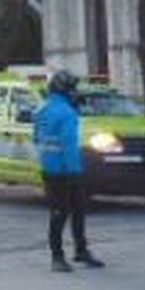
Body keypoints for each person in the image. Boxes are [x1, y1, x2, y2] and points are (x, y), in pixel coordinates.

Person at [35, 70, 103, 273]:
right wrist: (76, 171)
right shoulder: (66, 113)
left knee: (61, 212)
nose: (76, 92)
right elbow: (69, 146)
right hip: (67, 171)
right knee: (70, 213)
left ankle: (71, 253)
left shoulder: (42, 109)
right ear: (64, 90)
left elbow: (36, 139)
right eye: (73, 88)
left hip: (49, 168)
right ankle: (62, 257)